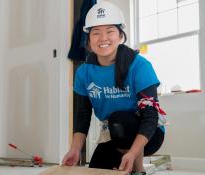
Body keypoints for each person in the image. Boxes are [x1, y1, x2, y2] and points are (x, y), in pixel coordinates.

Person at [62, 1, 166, 175]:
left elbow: (150, 116)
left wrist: (132, 154)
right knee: (96, 169)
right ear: (88, 39)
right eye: (96, 33)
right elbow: (83, 115)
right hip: (115, 132)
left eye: (110, 31)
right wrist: (75, 149)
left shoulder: (139, 66)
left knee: (120, 119)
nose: (103, 38)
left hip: (149, 134)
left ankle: (138, 170)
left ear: (120, 36)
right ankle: (125, 158)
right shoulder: (84, 73)